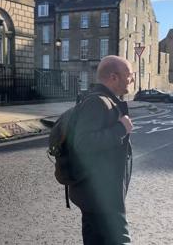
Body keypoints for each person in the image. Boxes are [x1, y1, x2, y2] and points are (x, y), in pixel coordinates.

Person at [68, 55, 135, 244]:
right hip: (101, 196)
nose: (132, 79)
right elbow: (83, 144)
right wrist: (121, 129)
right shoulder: (97, 102)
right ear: (114, 77)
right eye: (129, 75)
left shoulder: (107, 100)